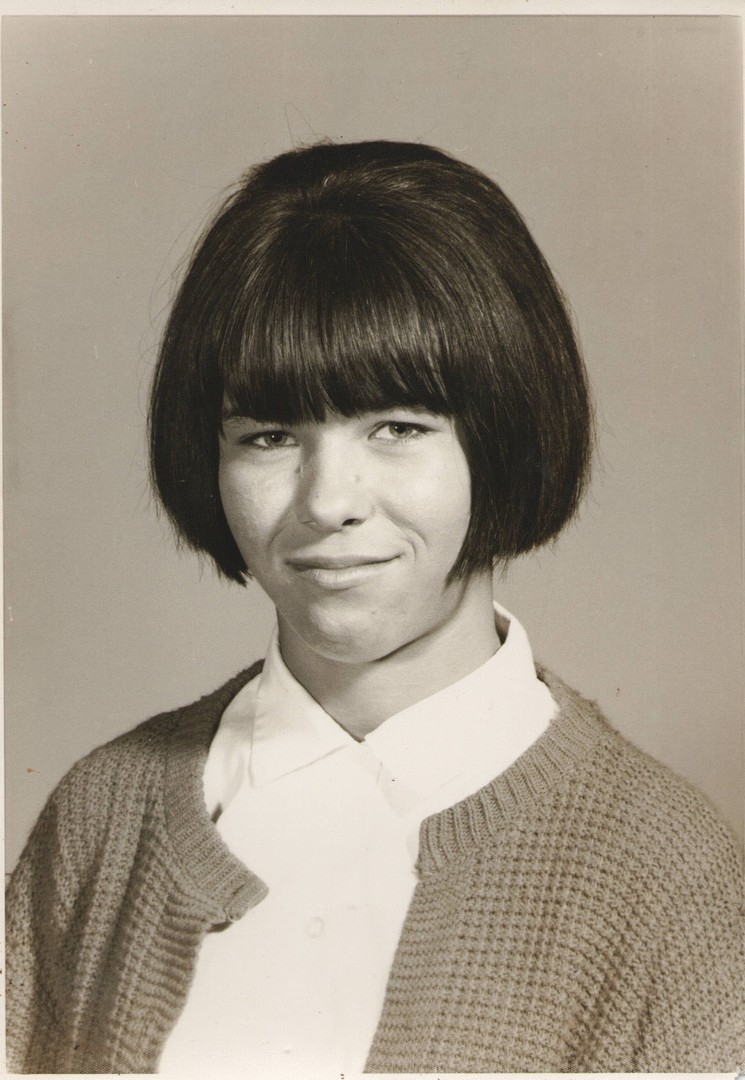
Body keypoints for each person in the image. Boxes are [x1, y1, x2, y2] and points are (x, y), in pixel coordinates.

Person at [6, 140, 745, 1075]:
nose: (327, 502)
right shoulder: (100, 816)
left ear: (504, 436)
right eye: (268, 436)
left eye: (397, 427)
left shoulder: (665, 872)